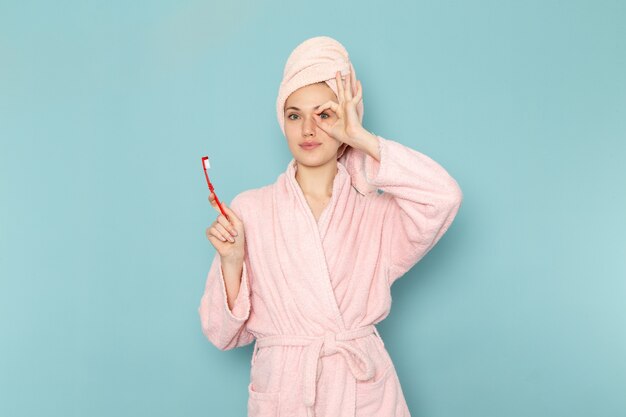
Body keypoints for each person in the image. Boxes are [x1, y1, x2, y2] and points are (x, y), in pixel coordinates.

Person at [198, 36, 463, 417]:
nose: (308, 129)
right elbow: (223, 335)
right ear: (282, 122)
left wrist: (362, 139)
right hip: (286, 392)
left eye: (324, 115)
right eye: (294, 115)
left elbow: (444, 197)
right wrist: (232, 262)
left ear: (345, 120)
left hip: (360, 391)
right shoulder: (251, 209)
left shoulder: (376, 212)